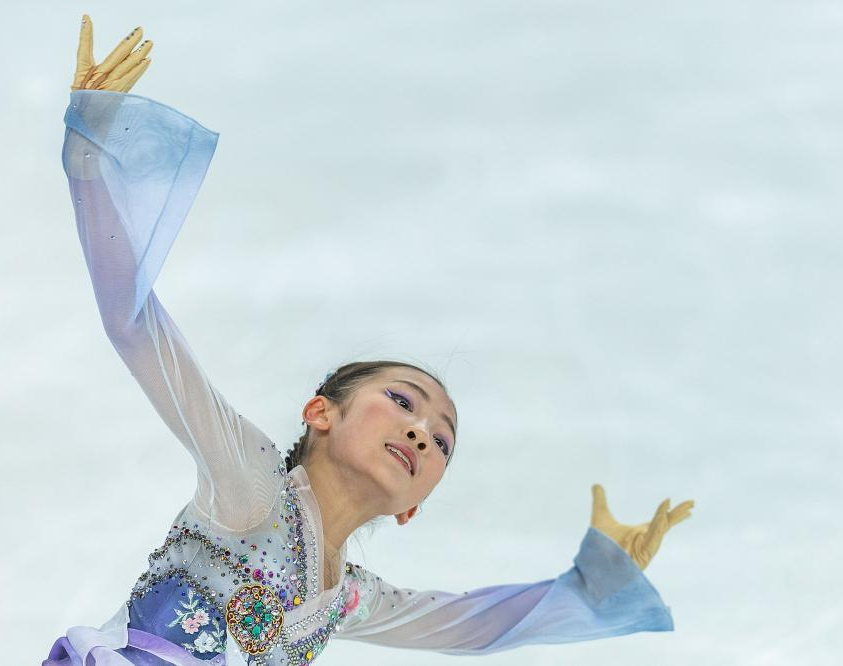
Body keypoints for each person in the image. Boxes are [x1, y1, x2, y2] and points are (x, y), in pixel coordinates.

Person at [43, 15, 695, 666]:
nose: (421, 433)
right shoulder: (251, 485)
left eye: (442, 442)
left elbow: (472, 626)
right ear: (320, 411)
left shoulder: (348, 599)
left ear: (414, 508)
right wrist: (89, 156)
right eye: (403, 401)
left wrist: (601, 580)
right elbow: (136, 328)